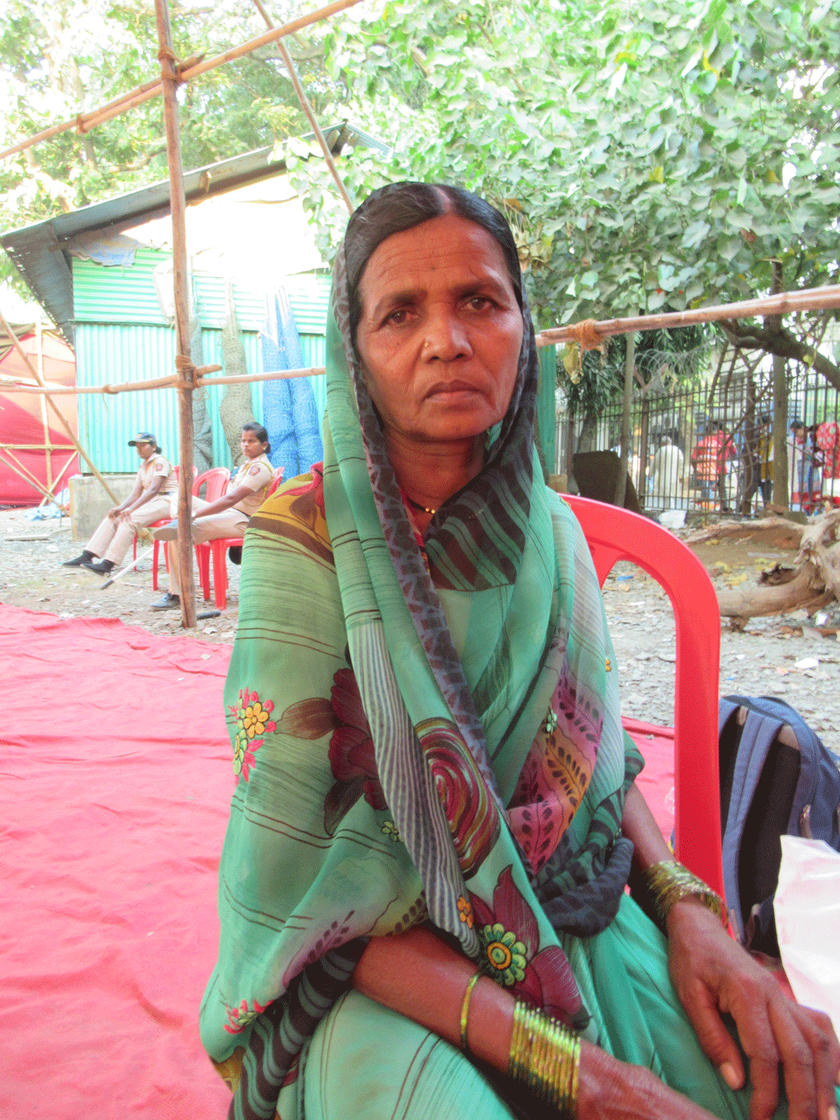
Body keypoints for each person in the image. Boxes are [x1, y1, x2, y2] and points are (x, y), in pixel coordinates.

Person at [200, 183, 839, 1120]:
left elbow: (599, 767)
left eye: (480, 302)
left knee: (771, 1083)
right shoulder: (303, 543)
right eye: (399, 314)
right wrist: (578, 1076)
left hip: (566, 909)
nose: (446, 342)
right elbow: (303, 885)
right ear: (357, 354)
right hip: (380, 964)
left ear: (522, 326)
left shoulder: (549, 529)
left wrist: (694, 916)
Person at [150, 421, 275, 611]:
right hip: (230, 514)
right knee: (179, 497)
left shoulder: (261, 468)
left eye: (251, 441)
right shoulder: (247, 465)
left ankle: (177, 593)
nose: (245, 445)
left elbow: (231, 498)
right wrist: (190, 514)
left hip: (243, 520)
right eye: (243, 441)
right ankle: (179, 522)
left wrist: (194, 515)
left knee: (180, 531)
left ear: (264, 445)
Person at [62, 431, 177, 575]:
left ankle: (108, 564)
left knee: (129, 520)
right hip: (154, 502)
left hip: (168, 501)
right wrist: (121, 507)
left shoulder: (160, 461)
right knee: (114, 516)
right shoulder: (143, 466)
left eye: (143, 445)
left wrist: (131, 509)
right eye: (137, 446)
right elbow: (136, 493)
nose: (139, 449)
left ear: (153, 446)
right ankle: (87, 556)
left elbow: (153, 490)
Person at [651, 435, 685, 505]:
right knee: (672, 494)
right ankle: (670, 508)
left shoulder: (661, 450)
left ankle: (667, 509)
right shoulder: (677, 450)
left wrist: (651, 473)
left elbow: (655, 463)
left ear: (662, 443)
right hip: (674, 476)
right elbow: (681, 463)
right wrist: (681, 476)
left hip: (664, 476)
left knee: (666, 495)